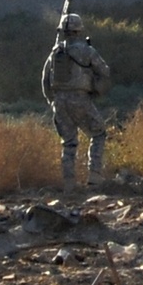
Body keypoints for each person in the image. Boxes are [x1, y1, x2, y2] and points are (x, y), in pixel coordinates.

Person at [42, 11, 111, 197]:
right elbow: (104, 71)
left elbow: (45, 79)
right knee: (98, 133)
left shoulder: (55, 52)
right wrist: (97, 89)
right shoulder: (87, 51)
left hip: (59, 101)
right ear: (79, 31)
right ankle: (94, 175)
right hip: (80, 99)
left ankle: (69, 183)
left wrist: (52, 101)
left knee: (68, 142)